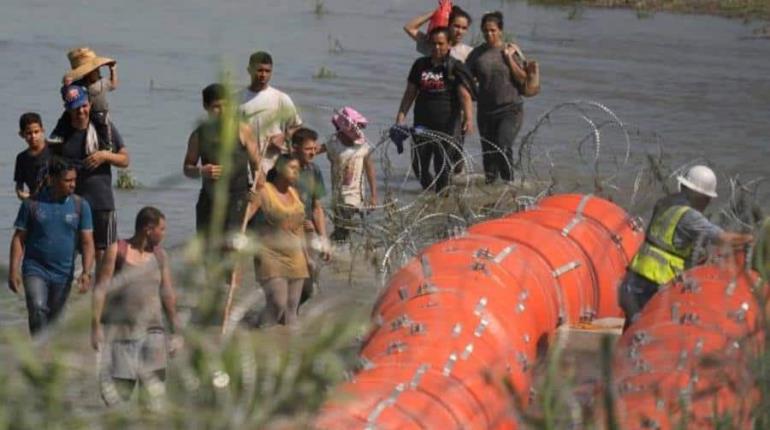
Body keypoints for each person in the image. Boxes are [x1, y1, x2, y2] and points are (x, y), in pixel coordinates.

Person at [619, 165, 753, 329]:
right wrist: (753, 239)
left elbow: (667, 242)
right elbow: (723, 238)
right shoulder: (690, 217)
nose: (709, 202)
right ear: (700, 195)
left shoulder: (666, 203)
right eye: (707, 197)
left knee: (631, 334)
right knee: (648, 336)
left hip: (633, 280)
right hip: (651, 286)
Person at [92, 207, 182, 404]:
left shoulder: (160, 256)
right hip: (122, 334)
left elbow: (168, 294)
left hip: (154, 333)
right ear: (148, 229)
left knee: (152, 398)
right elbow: (100, 290)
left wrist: (175, 331)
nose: (165, 234)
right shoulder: (117, 251)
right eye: (162, 229)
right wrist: (95, 326)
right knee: (118, 397)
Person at [49, 84, 130, 288]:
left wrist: (104, 155)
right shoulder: (61, 134)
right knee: (67, 251)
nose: (81, 111)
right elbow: (49, 165)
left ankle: (98, 308)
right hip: (71, 204)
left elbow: (125, 159)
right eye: (75, 108)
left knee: (104, 256)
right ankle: (66, 299)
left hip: (102, 202)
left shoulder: (103, 128)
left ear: (90, 104)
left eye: (84, 106)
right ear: (67, 109)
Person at [7, 159, 95, 335]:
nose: (73, 184)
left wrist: (86, 271)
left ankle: (48, 358)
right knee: (38, 308)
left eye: (74, 180)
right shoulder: (31, 204)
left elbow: (87, 242)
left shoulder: (80, 206)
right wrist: (13, 270)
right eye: (67, 180)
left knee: (57, 321)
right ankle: (38, 351)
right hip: (35, 268)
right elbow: (18, 239)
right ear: (52, 180)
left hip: (63, 272)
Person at [396, 27, 475, 193]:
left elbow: (465, 96)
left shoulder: (455, 67)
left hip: (447, 125)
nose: (437, 47)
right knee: (419, 165)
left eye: (441, 43)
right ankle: (430, 197)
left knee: (442, 167)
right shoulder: (420, 65)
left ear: (449, 45)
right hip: (422, 123)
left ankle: (442, 199)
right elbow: (410, 93)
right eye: (433, 43)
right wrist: (401, 116)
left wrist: (468, 119)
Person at [466, 11, 540, 184]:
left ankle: (510, 185)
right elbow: (465, 79)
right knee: (489, 155)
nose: (488, 34)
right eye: (485, 31)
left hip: (510, 109)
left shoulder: (512, 51)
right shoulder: (477, 55)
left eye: (492, 30)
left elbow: (523, 79)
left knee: (503, 145)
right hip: (485, 112)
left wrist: (508, 59)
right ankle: (491, 190)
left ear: (500, 31)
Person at [183, 83, 260, 238]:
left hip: (238, 199)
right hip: (209, 200)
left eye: (226, 106)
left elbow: (256, 167)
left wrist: (257, 193)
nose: (223, 112)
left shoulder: (243, 130)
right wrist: (201, 171)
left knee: (231, 253)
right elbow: (187, 168)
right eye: (216, 107)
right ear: (206, 107)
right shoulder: (199, 135)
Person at [247, 154, 309, 326]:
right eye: (292, 168)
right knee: (277, 304)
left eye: (299, 170)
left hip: (296, 257)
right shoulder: (263, 191)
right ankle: (258, 332)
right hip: (269, 254)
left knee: (291, 311)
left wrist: (307, 257)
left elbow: (300, 228)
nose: (297, 173)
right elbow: (244, 220)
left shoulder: (295, 194)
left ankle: (290, 348)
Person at [319, 107, 378, 241]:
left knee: (346, 226)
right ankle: (335, 249)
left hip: (355, 196)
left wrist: (374, 195)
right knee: (341, 227)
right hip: (338, 195)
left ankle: (331, 247)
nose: (359, 131)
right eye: (356, 127)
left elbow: (370, 170)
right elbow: (313, 151)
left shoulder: (363, 147)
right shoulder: (333, 144)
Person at [239, 51, 303, 175]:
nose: (263, 75)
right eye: (259, 70)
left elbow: (297, 126)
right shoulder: (237, 99)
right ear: (249, 70)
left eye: (267, 71)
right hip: (244, 168)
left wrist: (283, 136)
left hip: (273, 166)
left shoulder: (280, 98)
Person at [291, 128, 331, 303]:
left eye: (315, 149)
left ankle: (287, 317)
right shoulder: (283, 170)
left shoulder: (314, 171)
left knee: (309, 285)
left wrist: (323, 238)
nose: (313, 153)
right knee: (291, 280)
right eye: (308, 149)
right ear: (295, 148)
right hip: (286, 232)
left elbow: (317, 207)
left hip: (307, 229)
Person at [61, 47, 118, 125]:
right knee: (65, 119)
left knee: (110, 134)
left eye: (98, 69)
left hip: (101, 114)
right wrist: (66, 86)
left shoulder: (102, 81)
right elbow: (66, 96)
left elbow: (113, 85)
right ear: (87, 73)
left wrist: (112, 70)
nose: (98, 72)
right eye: (96, 70)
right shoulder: (78, 85)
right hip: (84, 115)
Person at [404, 4, 473, 63]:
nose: (460, 31)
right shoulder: (433, 45)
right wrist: (436, 12)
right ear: (448, 25)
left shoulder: (468, 52)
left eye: (464, 28)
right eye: (456, 26)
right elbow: (409, 27)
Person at [14, 112, 51, 200]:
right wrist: (20, 194)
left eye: (36, 132)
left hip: (54, 200)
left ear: (42, 130)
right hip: (34, 201)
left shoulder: (54, 150)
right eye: (29, 133)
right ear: (21, 134)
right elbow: (19, 184)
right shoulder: (21, 158)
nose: (33, 136)